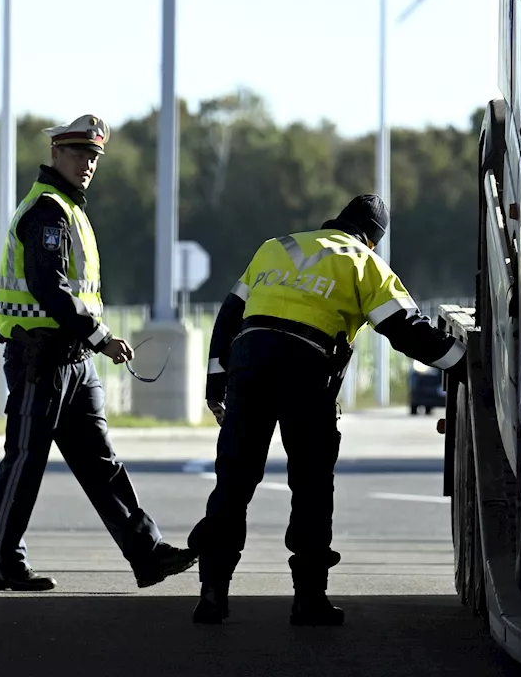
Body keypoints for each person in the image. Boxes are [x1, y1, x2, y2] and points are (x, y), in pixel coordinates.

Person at [187, 193, 467, 626]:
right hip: (306, 368)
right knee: (312, 484)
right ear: (372, 238)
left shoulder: (275, 246)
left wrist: (214, 383)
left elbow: (230, 314)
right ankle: (308, 599)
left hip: (250, 364)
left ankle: (212, 592)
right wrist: (464, 363)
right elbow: (405, 328)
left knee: (235, 479)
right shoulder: (363, 261)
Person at [0, 114, 197, 592]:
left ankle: (148, 553)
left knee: (102, 463)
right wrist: (101, 336)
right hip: (42, 358)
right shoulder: (47, 211)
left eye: (94, 156)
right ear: (56, 153)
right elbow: (49, 287)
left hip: (72, 362)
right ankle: (2, 562)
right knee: (25, 460)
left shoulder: (69, 210)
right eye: (79, 154)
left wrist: (92, 340)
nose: (88, 164)